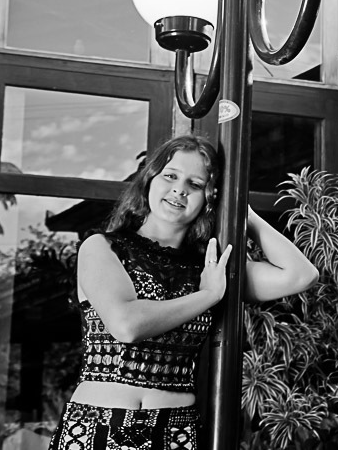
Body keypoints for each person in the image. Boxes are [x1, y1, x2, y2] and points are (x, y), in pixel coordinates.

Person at [49, 135, 319, 450]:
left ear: (210, 197)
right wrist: (207, 296)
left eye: (195, 184)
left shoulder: (209, 267)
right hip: (95, 429)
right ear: (149, 181)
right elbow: (127, 324)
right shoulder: (103, 247)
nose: (180, 189)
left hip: (175, 434)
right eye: (170, 176)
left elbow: (300, 275)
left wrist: (242, 212)